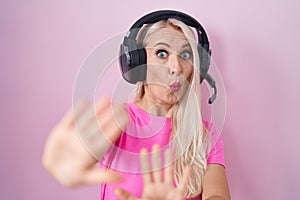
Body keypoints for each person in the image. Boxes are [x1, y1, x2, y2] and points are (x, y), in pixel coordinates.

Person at [42, 10, 230, 200]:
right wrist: (67, 162)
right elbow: (80, 153)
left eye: (186, 54)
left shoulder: (205, 134)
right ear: (137, 62)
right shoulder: (115, 119)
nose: (176, 67)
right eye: (162, 53)